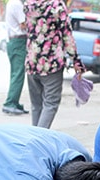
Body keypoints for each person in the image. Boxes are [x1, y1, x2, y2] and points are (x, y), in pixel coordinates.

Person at [24, 0, 85, 129]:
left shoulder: (29, 4)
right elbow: (67, 36)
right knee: (50, 104)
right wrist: (76, 60)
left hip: (32, 62)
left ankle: (35, 137)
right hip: (51, 64)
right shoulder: (57, 6)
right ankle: (38, 140)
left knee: (36, 105)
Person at [2, 0, 29, 115]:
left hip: (14, 41)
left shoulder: (11, 3)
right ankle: (10, 103)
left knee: (16, 73)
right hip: (19, 41)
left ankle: (14, 101)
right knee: (18, 74)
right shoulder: (17, 4)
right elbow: (23, 24)